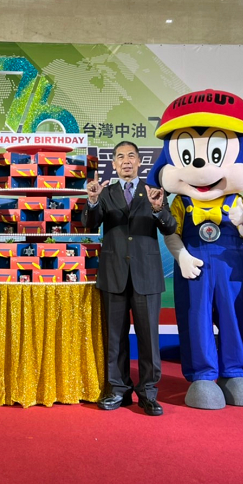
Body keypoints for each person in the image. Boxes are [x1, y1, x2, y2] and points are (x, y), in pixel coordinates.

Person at [84, 141, 177, 416]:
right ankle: (118, 389)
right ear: (113, 164)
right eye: (120, 157)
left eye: (131, 156)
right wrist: (92, 201)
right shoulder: (105, 192)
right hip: (113, 274)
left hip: (146, 275)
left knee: (149, 337)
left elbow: (170, 227)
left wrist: (158, 209)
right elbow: (90, 224)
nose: (126, 161)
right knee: (115, 337)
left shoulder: (153, 192)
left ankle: (148, 392)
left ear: (139, 162)